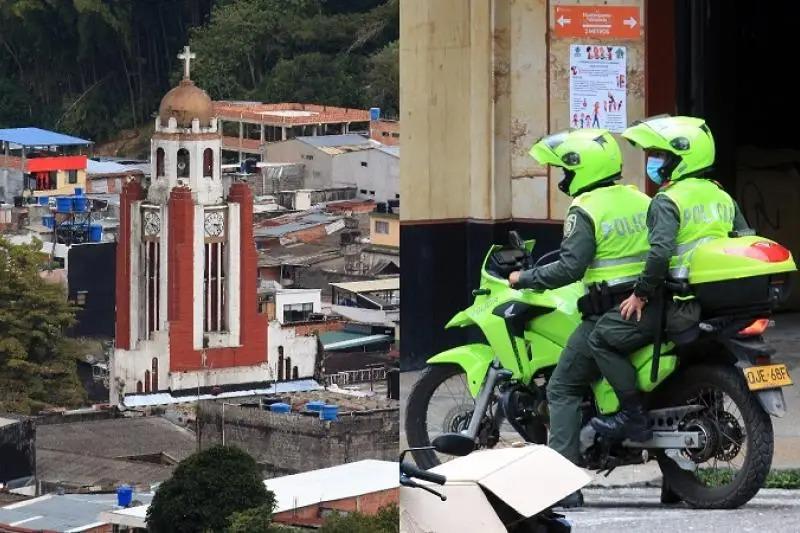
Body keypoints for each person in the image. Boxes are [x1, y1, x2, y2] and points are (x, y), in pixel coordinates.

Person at [509, 128, 651, 507]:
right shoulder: (640, 198)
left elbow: (571, 268)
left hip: (609, 312)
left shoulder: (586, 209)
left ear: (582, 170)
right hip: (649, 305)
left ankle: (563, 487)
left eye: (566, 172)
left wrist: (525, 278)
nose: (563, 181)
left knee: (562, 388)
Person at [587, 115, 750, 441]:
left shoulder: (668, 200)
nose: (653, 162)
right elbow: (744, 238)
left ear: (681, 158)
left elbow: (659, 254)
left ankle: (631, 416)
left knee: (601, 338)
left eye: (660, 155)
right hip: (713, 300)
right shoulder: (721, 196)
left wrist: (640, 294)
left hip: (676, 301)